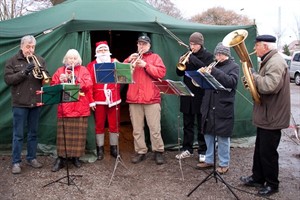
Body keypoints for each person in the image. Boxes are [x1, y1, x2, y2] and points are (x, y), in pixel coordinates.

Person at [240, 35, 291, 196]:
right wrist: (252, 79)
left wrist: (253, 77)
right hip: (267, 114)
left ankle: (272, 184)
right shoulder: (270, 60)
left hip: (272, 115)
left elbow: (269, 86)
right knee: (260, 149)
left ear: (265, 46)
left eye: (257, 46)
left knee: (268, 152)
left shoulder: (275, 62)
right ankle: (257, 178)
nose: (255, 49)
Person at [4, 35, 50, 174]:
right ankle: (16, 162)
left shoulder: (40, 60)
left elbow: (47, 78)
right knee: (18, 134)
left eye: (33, 47)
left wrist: (43, 74)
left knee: (33, 133)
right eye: (28, 47)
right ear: (21, 46)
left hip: (35, 102)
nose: (30, 50)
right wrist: (24, 72)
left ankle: (31, 158)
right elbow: (8, 79)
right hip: (19, 103)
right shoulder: (12, 61)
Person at [196, 42, 239, 174]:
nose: (218, 56)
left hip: (223, 106)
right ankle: (209, 160)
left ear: (227, 55)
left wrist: (214, 71)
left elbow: (231, 82)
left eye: (221, 54)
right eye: (217, 54)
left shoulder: (234, 66)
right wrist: (201, 76)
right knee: (208, 134)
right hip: (209, 104)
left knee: (223, 137)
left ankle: (224, 163)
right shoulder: (212, 66)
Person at [124, 35, 166, 165]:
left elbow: (161, 73)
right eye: (139, 43)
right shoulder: (132, 58)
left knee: (154, 128)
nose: (141, 46)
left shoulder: (155, 58)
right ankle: (141, 151)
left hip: (151, 99)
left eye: (144, 43)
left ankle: (158, 151)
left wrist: (146, 65)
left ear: (149, 45)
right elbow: (121, 75)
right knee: (137, 128)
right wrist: (128, 61)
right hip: (134, 98)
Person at [50, 49, 93, 172]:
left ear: (78, 60)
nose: (72, 61)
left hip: (80, 107)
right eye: (70, 58)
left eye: (74, 58)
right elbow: (53, 87)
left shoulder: (84, 70)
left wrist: (75, 78)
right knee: (63, 136)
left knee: (78, 135)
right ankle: (61, 158)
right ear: (66, 59)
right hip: (65, 108)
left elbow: (89, 85)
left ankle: (75, 157)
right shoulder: (60, 71)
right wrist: (60, 81)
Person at [175, 32, 214, 162]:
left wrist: (194, 60)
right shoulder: (186, 55)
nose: (192, 46)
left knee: (201, 124)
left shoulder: (208, 56)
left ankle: (202, 150)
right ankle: (187, 148)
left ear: (200, 44)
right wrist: (181, 63)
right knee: (187, 123)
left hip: (201, 94)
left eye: (195, 44)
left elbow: (205, 69)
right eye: (191, 44)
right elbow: (179, 73)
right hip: (187, 94)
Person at [86, 41, 121, 160]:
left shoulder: (114, 62)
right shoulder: (91, 66)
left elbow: (124, 76)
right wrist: (91, 100)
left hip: (114, 98)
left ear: (108, 51)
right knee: (99, 124)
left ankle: (114, 148)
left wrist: (120, 65)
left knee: (114, 124)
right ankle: (100, 148)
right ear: (96, 52)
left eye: (104, 50)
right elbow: (88, 85)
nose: (103, 52)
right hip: (98, 99)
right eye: (100, 50)